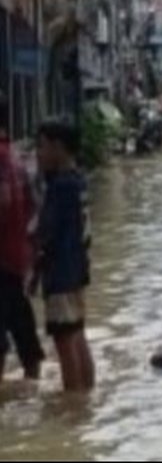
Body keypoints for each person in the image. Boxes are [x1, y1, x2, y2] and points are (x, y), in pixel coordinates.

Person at [36, 119, 95, 393]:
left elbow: (45, 231)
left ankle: (74, 404)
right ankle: (85, 394)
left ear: (58, 148)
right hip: (77, 269)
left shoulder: (60, 187)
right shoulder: (78, 180)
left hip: (61, 271)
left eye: (42, 147)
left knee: (64, 338)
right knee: (77, 333)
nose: (38, 153)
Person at [0, 97, 44, 382]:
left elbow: (3, 201)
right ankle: (32, 381)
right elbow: (32, 207)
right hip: (16, 256)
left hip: (2, 256)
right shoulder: (15, 157)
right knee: (19, 319)